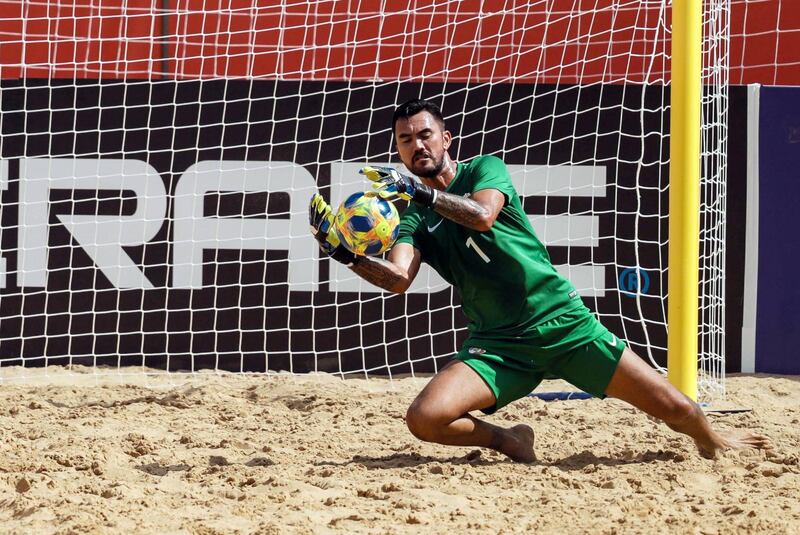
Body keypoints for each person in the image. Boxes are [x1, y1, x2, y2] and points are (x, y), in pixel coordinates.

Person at [308, 98, 770, 462]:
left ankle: (716, 439)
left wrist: (423, 194)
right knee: (424, 419)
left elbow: (483, 216)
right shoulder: (411, 219)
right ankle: (509, 440)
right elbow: (397, 279)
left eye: (425, 134)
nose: (417, 145)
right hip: (498, 344)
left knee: (681, 412)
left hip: (562, 324)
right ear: (399, 152)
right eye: (406, 141)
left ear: (446, 138)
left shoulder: (483, 169)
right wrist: (341, 252)